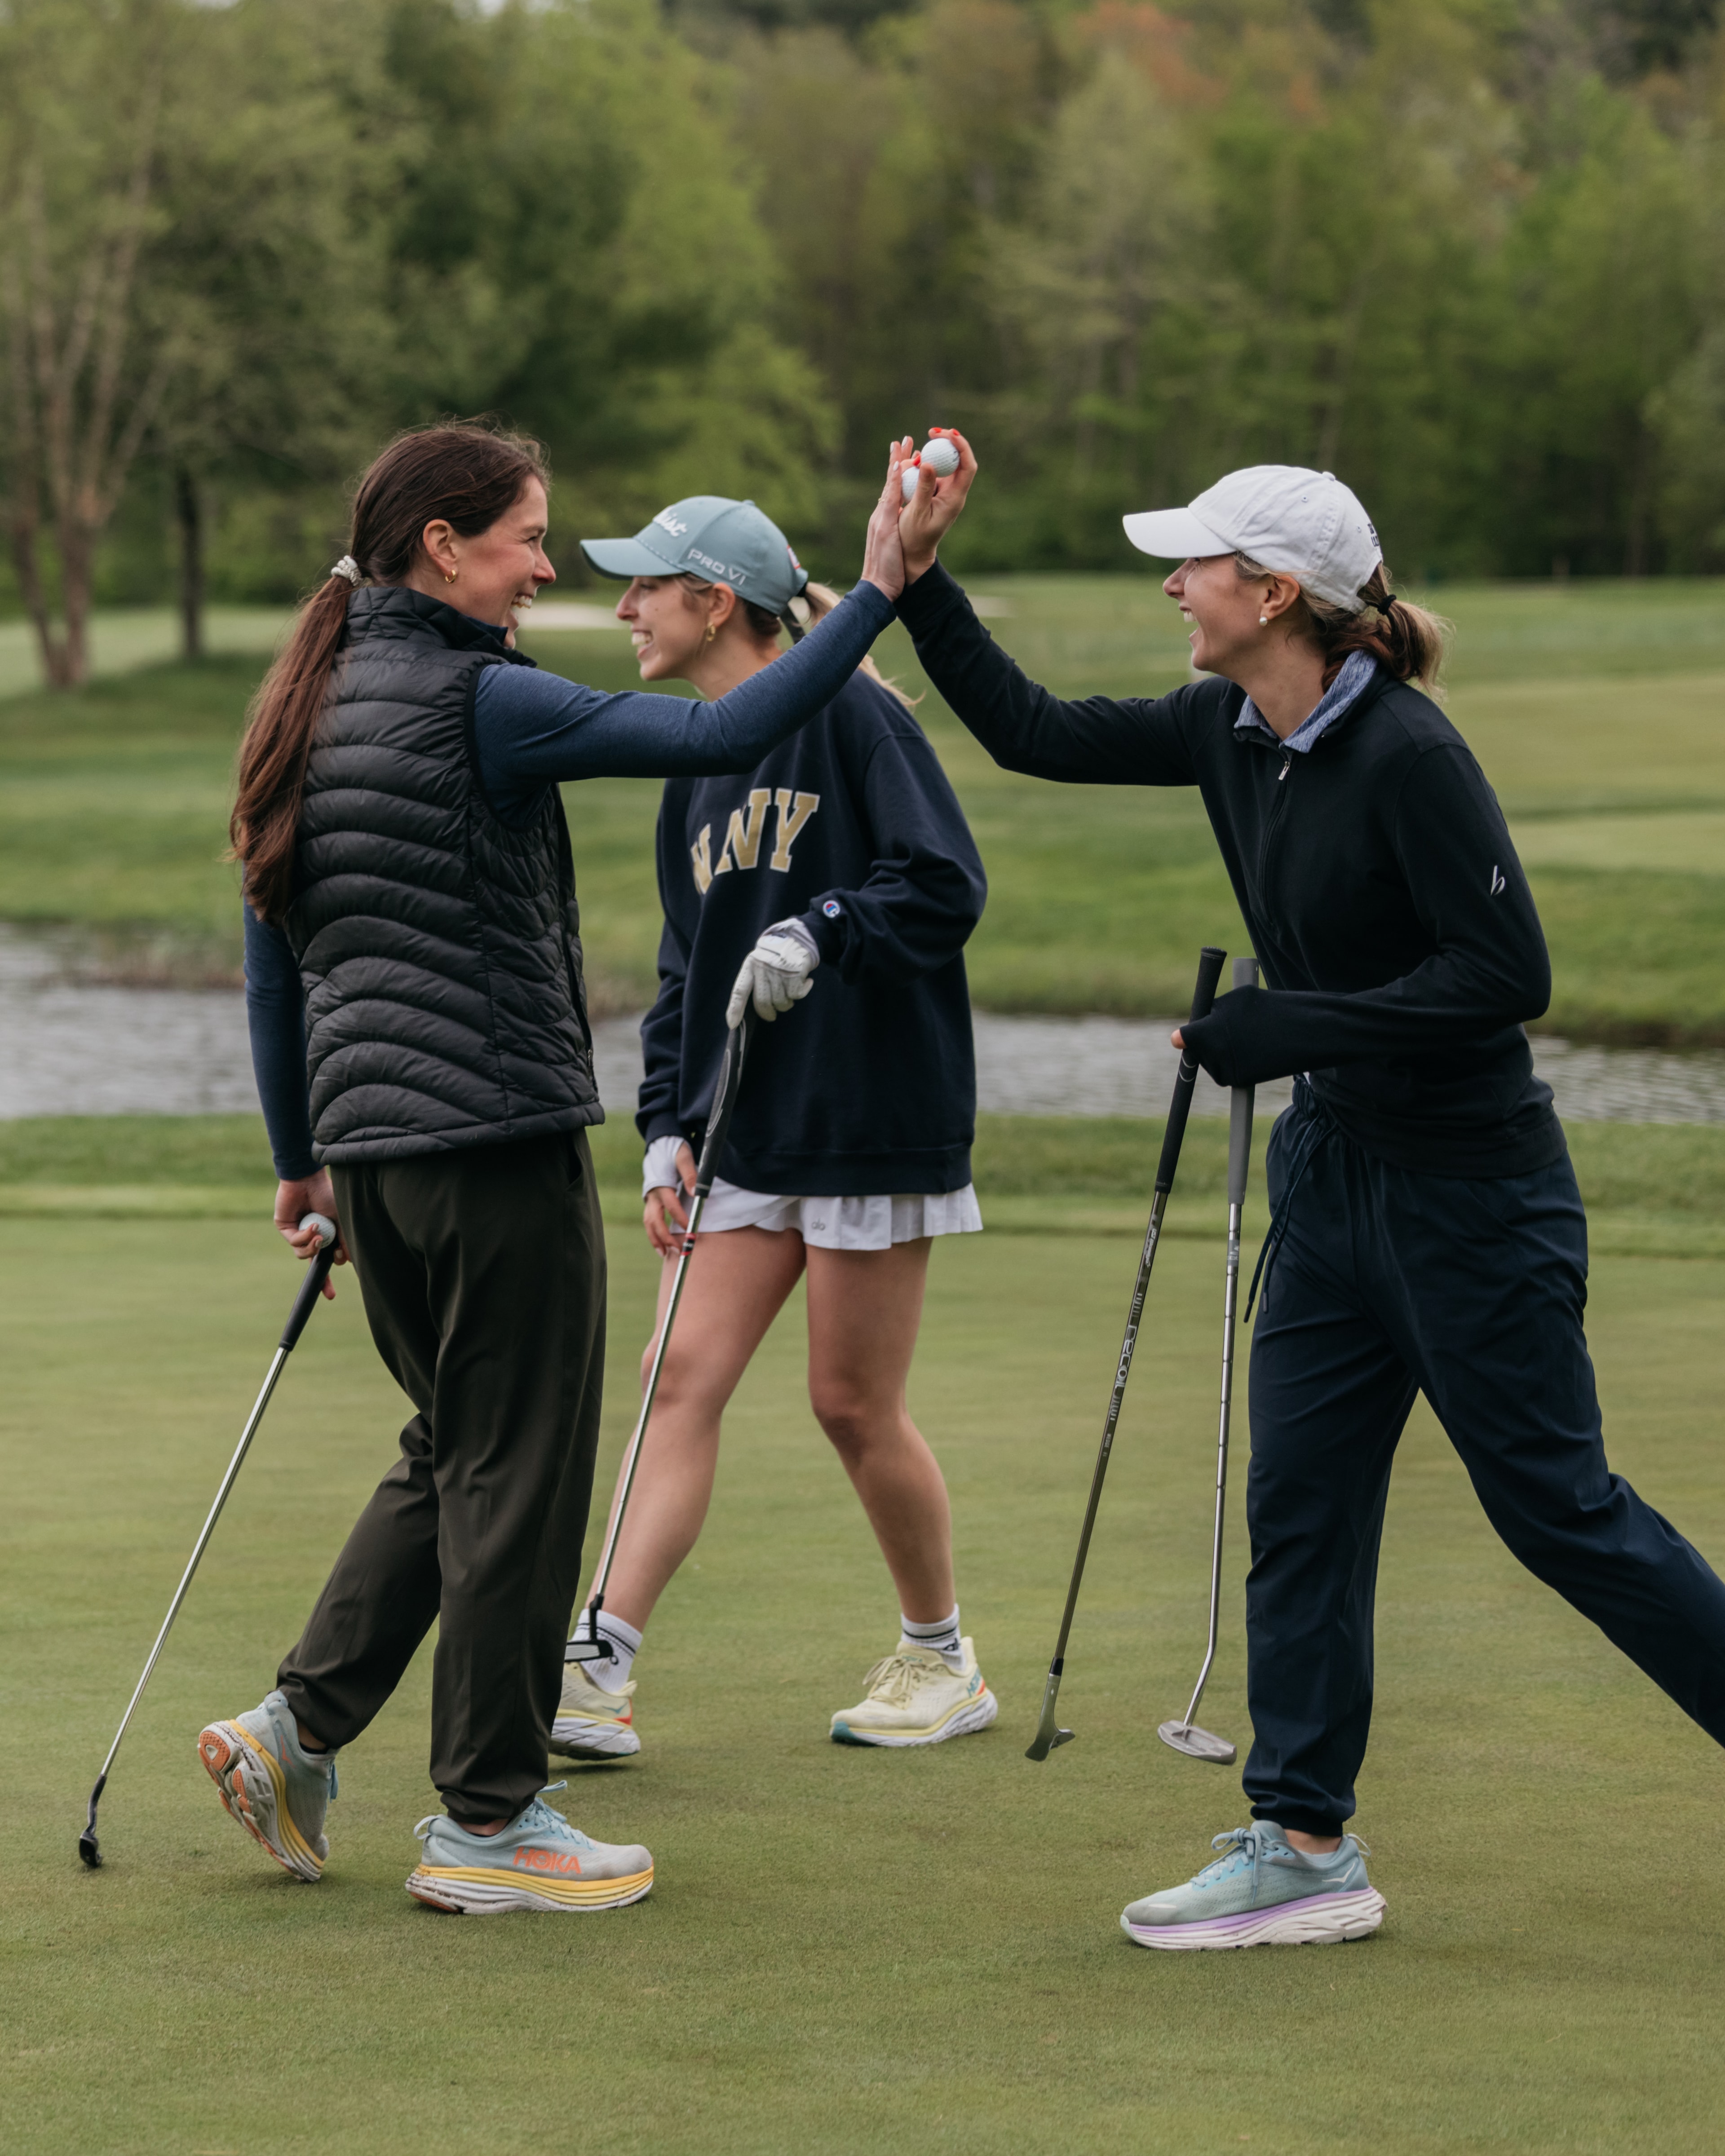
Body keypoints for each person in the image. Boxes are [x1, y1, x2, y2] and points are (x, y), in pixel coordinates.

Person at [887, 438, 1725, 1949]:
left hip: (1473, 1195)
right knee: (1304, 1504)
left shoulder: (1409, 755)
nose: (1173, 584)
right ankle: (1304, 1839)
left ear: (1274, 593)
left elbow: (1506, 975)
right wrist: (919, 580)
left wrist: (1291, 1023)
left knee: (1563, 1516)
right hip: (1333, 1180)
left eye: (1195, 564)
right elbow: (1033, 733)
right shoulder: (1229, 722)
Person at [206, 424, 911, 1914]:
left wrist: (301, 1162)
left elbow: (275, 973)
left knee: (457, 1443)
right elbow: (725, 735)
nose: (546, 568)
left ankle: (298, 1730)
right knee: (522, 1467)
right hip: (494, 1140)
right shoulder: (483, 699)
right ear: (444, 547)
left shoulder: (312, 700)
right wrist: (875, 592)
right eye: (528, 539)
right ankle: (489, 1821)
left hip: (375, 1158)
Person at [550, 494, 995, 1760]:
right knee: (672, 1376)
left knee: (851, 1405)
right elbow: (686, 973)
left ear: (717, 602)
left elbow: (946, 884)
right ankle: (600, 1665)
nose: (627, 610)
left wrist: (826, 930)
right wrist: (660, 1129)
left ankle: (941, 1655)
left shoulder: (854, 711)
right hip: (742, 1133)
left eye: (648, 587)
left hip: (869, 1116)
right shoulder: (697, 758)